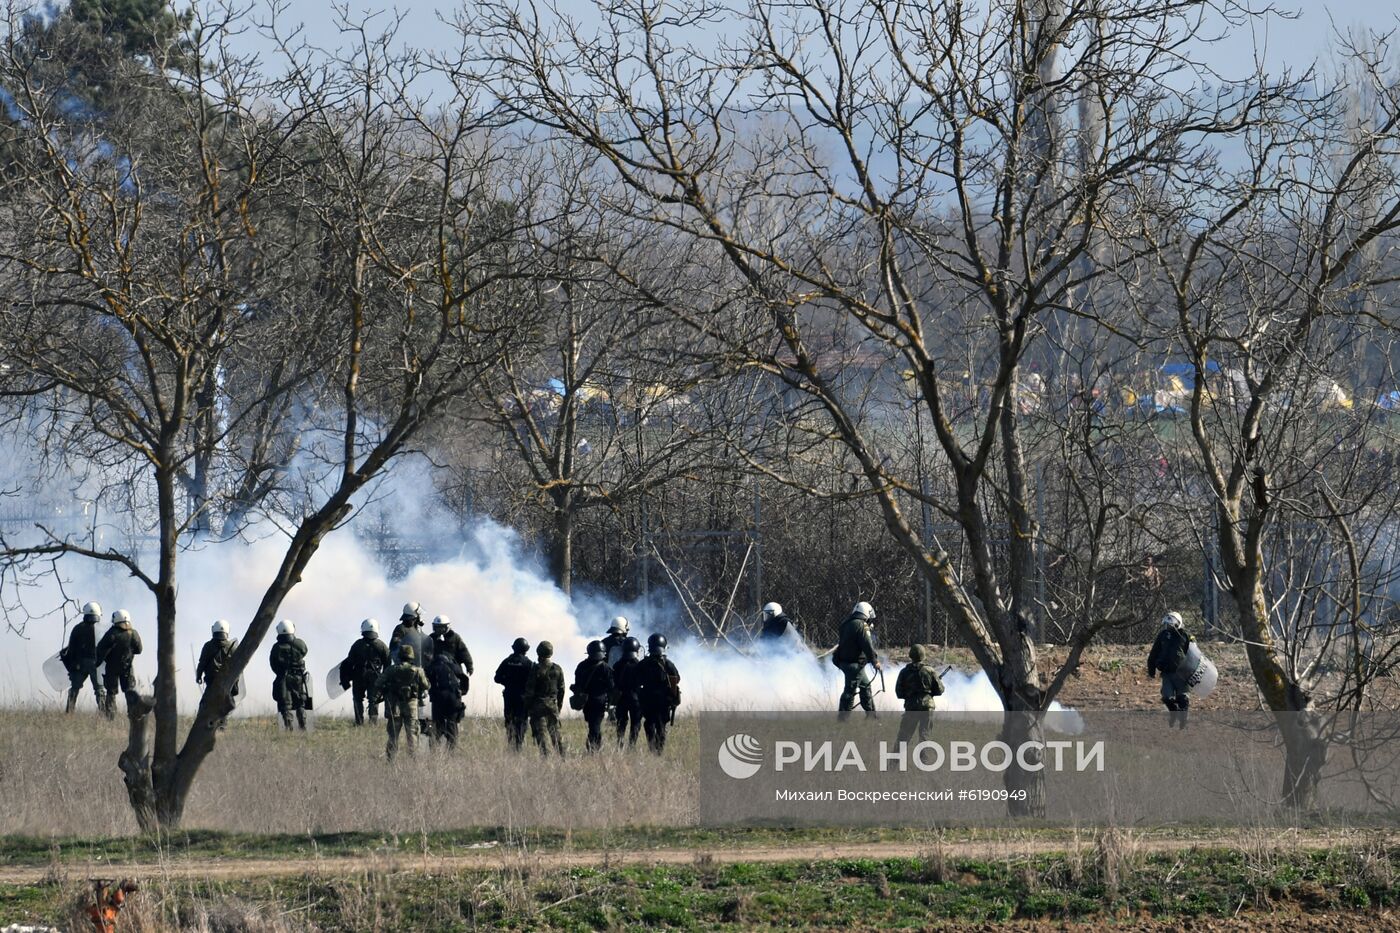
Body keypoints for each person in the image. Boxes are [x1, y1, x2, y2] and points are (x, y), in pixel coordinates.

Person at [376, 644, 430, 761]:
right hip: (411, 706)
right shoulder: (417, 671)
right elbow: (426, 685)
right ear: (411, 656)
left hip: (394, 705)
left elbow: (378, 683)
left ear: (400, 656)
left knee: (393, 735)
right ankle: (414, 760)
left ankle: (391, 760)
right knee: (412, 734)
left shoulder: (391, 670)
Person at [389, 602, 434, 736]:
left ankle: (421, 726)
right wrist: (403, 665)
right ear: (416, 615)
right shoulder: (401, 629)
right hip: (408, 671)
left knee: (421, 698)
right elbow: (394, 648)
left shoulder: (418, 630)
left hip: (420, 668)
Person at [832, 601, 880, 719]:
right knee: (850, 691)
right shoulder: (861, 625)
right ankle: (842, 720)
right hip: (854, 664)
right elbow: (867, 645)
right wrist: (875, 661)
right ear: (866, 614)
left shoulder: (846, 623)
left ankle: (871, 716)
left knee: (865, 686)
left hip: (845, 662)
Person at [1147, 611, 1195, 729]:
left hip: (1182, 673)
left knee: (1182, 698)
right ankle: (1174, 713)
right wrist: (1151, 669)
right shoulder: (1163, 635)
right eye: (1167, 625)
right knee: (1167, 697)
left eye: (1171, 625)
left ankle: (1183, 720)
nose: (1168, 627)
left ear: (1178, 624)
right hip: (1167, 673)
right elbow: (1154, 652)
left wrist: (1194, 671)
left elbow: (1194, 655)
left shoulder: (1186, 636)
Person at [636, 633, 681, 753]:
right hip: (663, 700)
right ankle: (659, 751)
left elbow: (636, 680)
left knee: (649, 723)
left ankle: (652, 749)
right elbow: (677, 679)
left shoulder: (643, 664)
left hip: (647, 698)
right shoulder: (668, 664)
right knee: (661, 725)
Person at [340, 619, 390, 726]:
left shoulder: (357, 645)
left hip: (358, 676)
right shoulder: (382, 646)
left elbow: (349, 663)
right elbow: (388, 664)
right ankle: (373, 724)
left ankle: (359, 722)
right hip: (375, 677)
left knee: (357, 699)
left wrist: (346, 679)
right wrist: (385, 680)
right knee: (374, 700)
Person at [94, 609, 142, 720]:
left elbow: (101, 651)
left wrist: (96, 664)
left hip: (112, 668)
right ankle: (133, 716)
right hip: (127, 668)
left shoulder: (111, 633)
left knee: (111, 693)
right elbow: (139, 650)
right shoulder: (133, 633)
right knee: (130, 691)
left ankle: (110, 717)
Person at [894, 644, 944, 745]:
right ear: (923, 655)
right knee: (924, 737)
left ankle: (895, 760)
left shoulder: (904, 672)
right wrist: (929, 691)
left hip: (911, 707)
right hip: (927, 707)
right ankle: (924, 760)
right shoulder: (930, 671)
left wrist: (910, 694)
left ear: (910, 656)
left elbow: (899, 693)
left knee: (903, 737)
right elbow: (940, 690)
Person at [523, 640, 566, 757]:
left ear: (538, 653)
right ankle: (562, 757)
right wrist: (558, 706)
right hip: (552, 706)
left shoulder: (535, 669)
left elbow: (530, 691)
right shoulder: (557, 669)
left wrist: (526, 707)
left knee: (541, 734)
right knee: (556, 733)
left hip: (537, 707)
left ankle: (545, 758)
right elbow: (561, 690)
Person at [572, 640, 615, 753]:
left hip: (586, 701)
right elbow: (611, 687)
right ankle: (593, 749)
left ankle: (594, 748)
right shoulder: (606, 668)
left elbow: (578, 685)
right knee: (595, 727)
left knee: (593, 725)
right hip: (599, 701)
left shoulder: (581, 666)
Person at [269, 619, 311, 731]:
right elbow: (305, 651)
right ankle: (303, 726)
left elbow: (273, 665)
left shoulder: (276, 648)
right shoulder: (300, 644)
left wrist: (280, 673)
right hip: (299, 678)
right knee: (300, 703)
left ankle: (289, 728)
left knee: (285, 704)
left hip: (283, 678)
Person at [61, 601, 103, 714]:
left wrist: (72, 667)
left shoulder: (77, 628)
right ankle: (104, 715)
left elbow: (71, 649)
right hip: (96, 664)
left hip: (79, 664)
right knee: (99, 690)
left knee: (74, 689)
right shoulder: (102, 629)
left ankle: (69, 713)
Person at [494, 638, 534, 750]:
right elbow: (533, 681)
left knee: (509, 720)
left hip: (509, 695)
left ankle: (510, 744)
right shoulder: (529, 664)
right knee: (521, 722)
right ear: (526, 649)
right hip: (522, 697)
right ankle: (518, 746)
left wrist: (508, 683)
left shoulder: (507, 661)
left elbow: (497, 678)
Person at [195, 619, 240, 718]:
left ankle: (200, 728)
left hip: (211, 682)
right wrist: (235, 685)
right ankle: (221, 727)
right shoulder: (232, 647)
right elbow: (237, 669)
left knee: (204, 706)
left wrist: (198, 676)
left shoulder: (208, 646)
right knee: (223, 707)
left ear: (213, 630)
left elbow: (202, 663)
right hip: (226, 682)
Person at [426, 646, 466, 750]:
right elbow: (464, 678)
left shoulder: (432, 667)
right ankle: (451, 750)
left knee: (437, 724)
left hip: (438, 698)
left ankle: (435, 749)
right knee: (452, 724)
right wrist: (463, 691)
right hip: (453, 698)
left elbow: (424, 679)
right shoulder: (453, 666)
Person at [612, 636, 643, 748]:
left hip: (621, 698)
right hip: (635, 698)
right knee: (635, 723)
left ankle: (620, 744)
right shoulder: (640, 665)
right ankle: (632, 746)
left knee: (621, 723)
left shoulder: (617, 665)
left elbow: (613, 682)